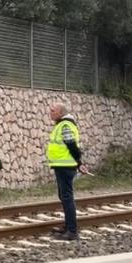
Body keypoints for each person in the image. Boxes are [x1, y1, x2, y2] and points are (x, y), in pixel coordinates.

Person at [47, 102, 86, 241]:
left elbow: (72, 146)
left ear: (61, 112)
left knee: (67, 197)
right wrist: (79, 163)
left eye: (53, 110)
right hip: (62, 165)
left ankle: (72, 231)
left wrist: (78, 162)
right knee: (64, 197)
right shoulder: (61, 125)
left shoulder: (65, 125)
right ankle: (68, 227)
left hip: (65, 166)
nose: (50, 112)